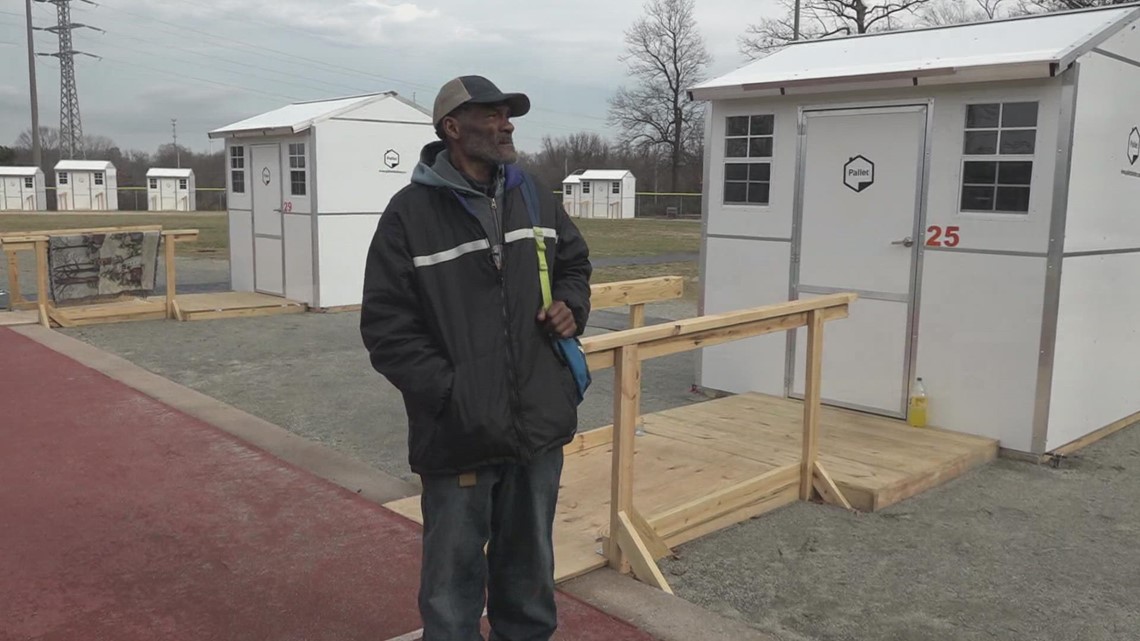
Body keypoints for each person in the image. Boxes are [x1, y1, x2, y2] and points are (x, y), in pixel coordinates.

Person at [359, 75, 593, 641]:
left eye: (508, 115)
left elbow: (575, 264)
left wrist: (570, 304)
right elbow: (386, 327)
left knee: (530, 573)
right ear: (453, 128)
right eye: (492, 115)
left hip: (536, 424)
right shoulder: (408, 214)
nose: (506, 124)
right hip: (459, 432)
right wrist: (452, 392)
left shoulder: (533, 194)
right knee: (451, 584)